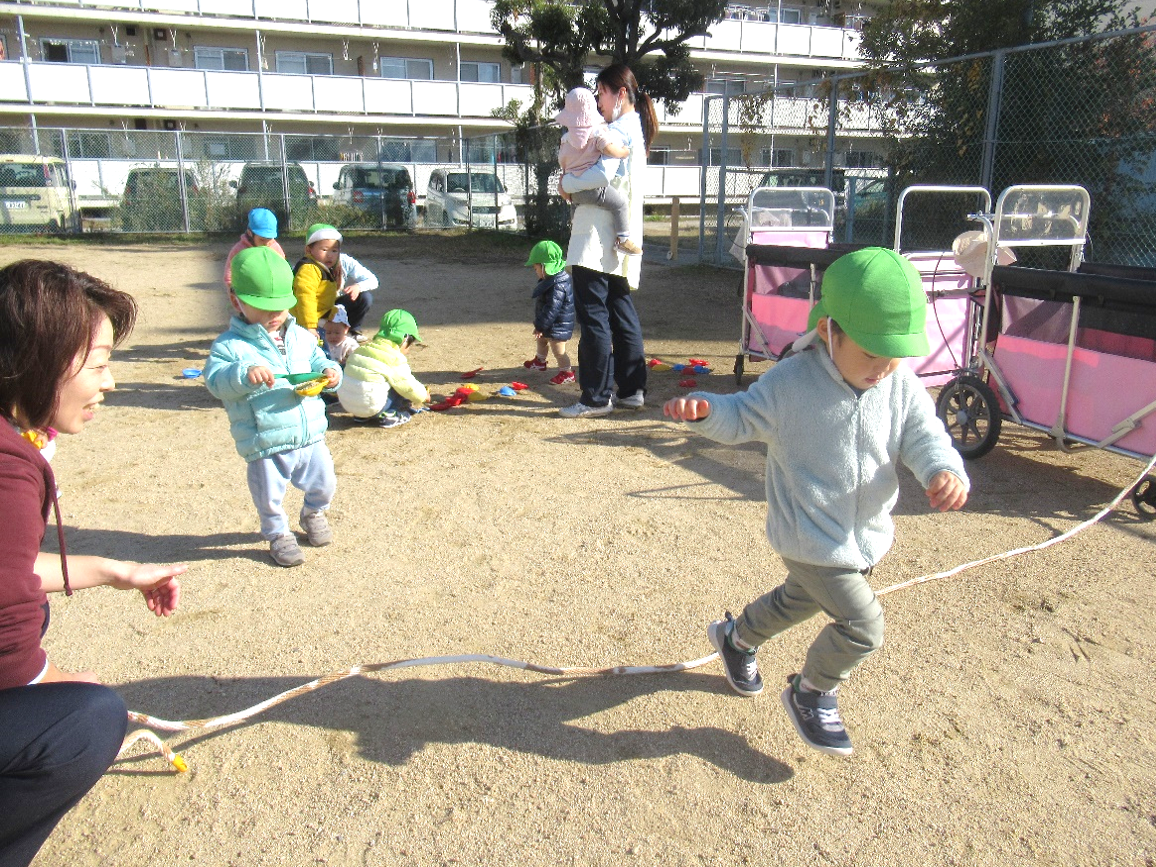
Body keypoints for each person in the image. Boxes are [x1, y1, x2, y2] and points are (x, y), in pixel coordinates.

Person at [663, 247, 970, 757]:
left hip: (863, 537)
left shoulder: (899, 384)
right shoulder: (791, 382)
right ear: (829, 331)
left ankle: (735, 639)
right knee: (863, 626)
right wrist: (705, 411)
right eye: (871, 352)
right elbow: (740, 415)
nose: (883, 366)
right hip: (809, 536)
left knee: (795, 603)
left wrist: (943, 469)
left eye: (895, 353)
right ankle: (812, 693)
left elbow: (924, 435)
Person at [0, 260, 185, 867]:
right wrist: (44, 685)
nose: (110, 381)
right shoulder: (7, 470)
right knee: (84, 721)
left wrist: (116, 570)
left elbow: (15, 570)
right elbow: (8, 627)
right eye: (99, 362)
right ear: (35, 359)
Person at [205, 247, 342, 568]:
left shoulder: (299, 336)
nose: (276, 313)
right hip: (265, 439)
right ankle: (278, 534)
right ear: (236, 299)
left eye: (282, 305)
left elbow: (317, 359)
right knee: (269, 496)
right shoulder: (230, 346)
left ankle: (313, 511)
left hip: (310, 433)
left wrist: (330, 372)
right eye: (265, 307)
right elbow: (215, 381)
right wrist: (243, 374)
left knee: (325, 482)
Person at [559, 63, 656, 418]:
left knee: (594, 315)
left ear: (621, 94)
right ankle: (632, 389)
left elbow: (602, 176)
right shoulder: (635, 130)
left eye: (602, 92)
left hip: (596, 241)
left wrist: (567, 185)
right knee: (620, 311)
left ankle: (596, 397)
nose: (599, 100)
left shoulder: (616, 131)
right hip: (615, 237)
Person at [555, 87, 640, 257]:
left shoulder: (565, 140)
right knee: (620, 204)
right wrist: (624, 152)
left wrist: (568, 177)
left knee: (578, 214)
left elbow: (562, 161)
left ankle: (575, 239)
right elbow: (610, 150)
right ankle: (623, 240)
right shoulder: (596, 134)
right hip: (595, 191)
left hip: (574, 193)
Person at [337, 309, 429, 428]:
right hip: (372, 405)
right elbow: (408, 385)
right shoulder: (393, 357)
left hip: (348, 404)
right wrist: (423, 395)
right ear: (404, 339)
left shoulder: (362, 349)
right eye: (409, 345)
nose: (408, 350)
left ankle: (361, 416)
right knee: (399, 386)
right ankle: (389, 414)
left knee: (367, 380)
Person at [291, 223, 378, 333]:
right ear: (309, 250)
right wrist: (310, 326)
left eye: (334, 250)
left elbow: (373, 280)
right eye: (324, 249)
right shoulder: (308, 269)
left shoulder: (344, 260)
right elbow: (305, 298)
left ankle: (351, 330)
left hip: (329, 307)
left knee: (365, 297)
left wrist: (358, 286)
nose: (329, 255)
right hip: (312, 313)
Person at [522, 240, 576, 385]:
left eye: (536, 268)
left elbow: (552, 309)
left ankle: (567, 372)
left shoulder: (557, 285)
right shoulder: (551, 279)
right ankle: (540, 361)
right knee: (541, 340)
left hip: (558, 325)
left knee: (558, 350)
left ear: (546, 266)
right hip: (550, 324)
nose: (536, 272)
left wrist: (540, 325)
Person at [224, 207, 286, 314]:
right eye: (262, 239)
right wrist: (236, 296)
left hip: (271, 297)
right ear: (250, 233)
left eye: (270, 239)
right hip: (248, 299)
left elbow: (284, 270)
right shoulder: (239, 250)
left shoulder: (275, 248)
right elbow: (229, 275)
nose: (266, 244)